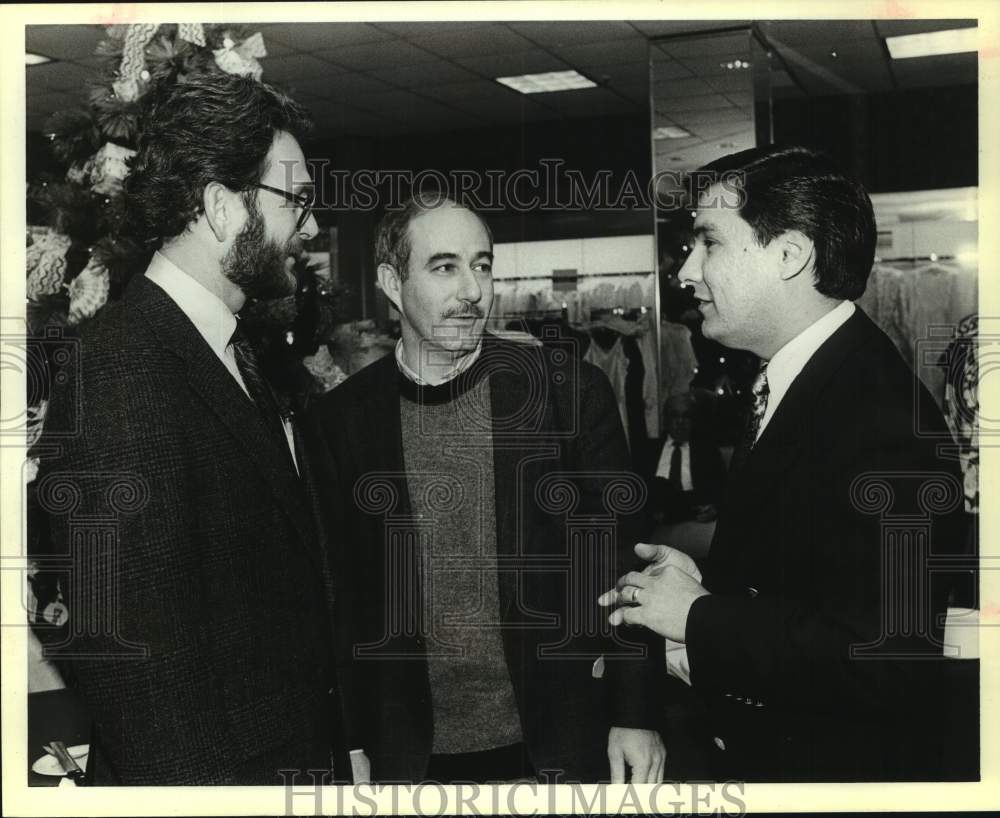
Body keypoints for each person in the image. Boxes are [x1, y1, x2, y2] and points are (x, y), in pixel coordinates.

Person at [600, 145, 965, 781]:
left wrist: (695, 614)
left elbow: (884, 658)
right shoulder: (813, 380)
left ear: (791, 255)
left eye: (708, 242)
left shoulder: (880, 419)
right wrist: (707, 582)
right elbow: (816, 581)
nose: (686, 270)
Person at [37, 73, 342, 784]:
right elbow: (134, 669)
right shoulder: (120, 369)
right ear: (219, 207)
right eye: (295, 200)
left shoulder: (233, 352)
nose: (313, 227)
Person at [315, 194, 665, 784]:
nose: (473, 290)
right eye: (445, 266)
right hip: (412, 756)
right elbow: (340, 593)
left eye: (482, 265)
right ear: (390, 283)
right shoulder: (343, 418)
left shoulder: (566, 393)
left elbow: (624, 563)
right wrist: (349, 739)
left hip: (558, 740)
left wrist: (635, 713)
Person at [644, 392, 725, 526]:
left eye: (686, 416)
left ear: (693, 421)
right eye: (674, 415)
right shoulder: (650, 450)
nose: (680, 421)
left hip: (693, 514)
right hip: (655, 517)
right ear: (666, 420)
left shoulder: (707, 451)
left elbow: (723, 489)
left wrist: (715, 508)